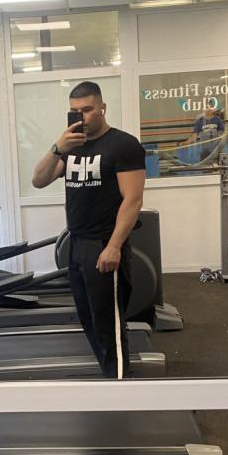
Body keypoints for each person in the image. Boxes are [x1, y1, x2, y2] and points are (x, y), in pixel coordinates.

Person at [31, 81, 146, 379]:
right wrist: (58, 148)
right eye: (75, 111)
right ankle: (110, 377)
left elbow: (133, 200)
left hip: (104, 244)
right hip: (77, 243)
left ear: (102, 108)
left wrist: (114, 246)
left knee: (109, 324)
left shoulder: (123, 145)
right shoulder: (71, 147)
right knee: (90, 320)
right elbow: (38, 180)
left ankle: (120, 386)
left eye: (87, 109)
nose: (81, 116)